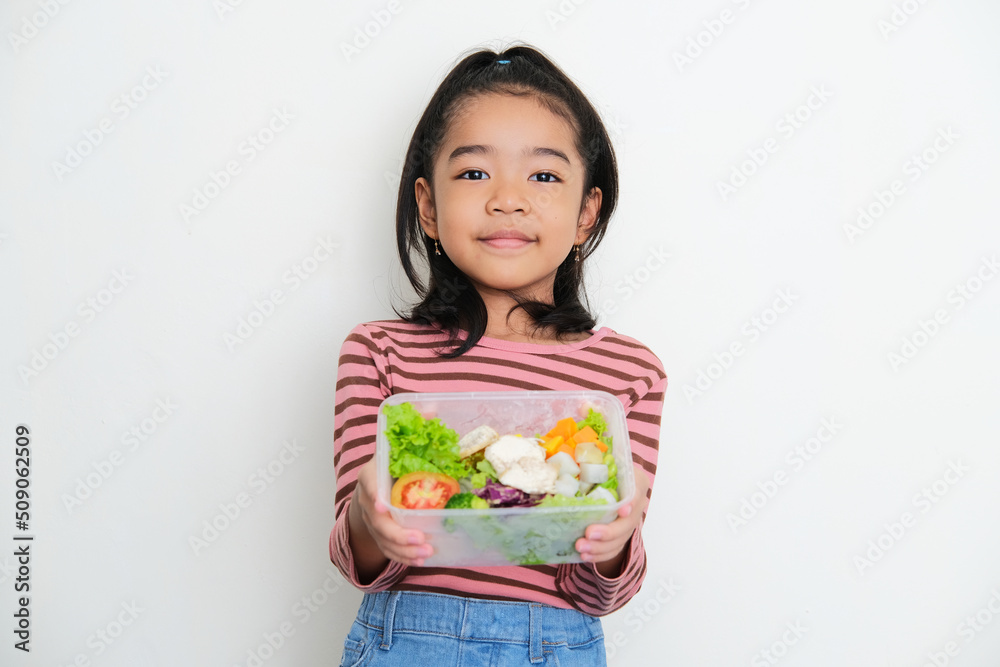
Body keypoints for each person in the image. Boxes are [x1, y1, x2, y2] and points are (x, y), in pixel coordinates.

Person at [330, 44, 667, 666]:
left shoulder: (629, 372)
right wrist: (369, 513)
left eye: (543, 176)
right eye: (474, 173)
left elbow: (603, 589)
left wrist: (617, 538)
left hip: (555, 647)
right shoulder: (378, 352)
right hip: (407, 642)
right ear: (427, 207)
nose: (507, 199)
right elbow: (361, 564)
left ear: (586, 212)